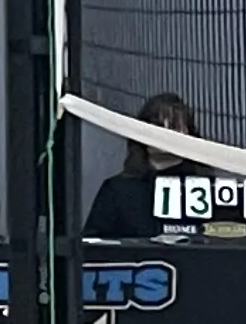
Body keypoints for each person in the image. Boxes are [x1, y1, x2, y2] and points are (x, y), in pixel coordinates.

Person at [82, 92, 199, 241]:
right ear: (141, 133)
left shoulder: (209, 189)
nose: (165, 134)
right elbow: (93, 245)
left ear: (190, 134)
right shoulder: (117, 190)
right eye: (158, 126)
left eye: (174, 127)